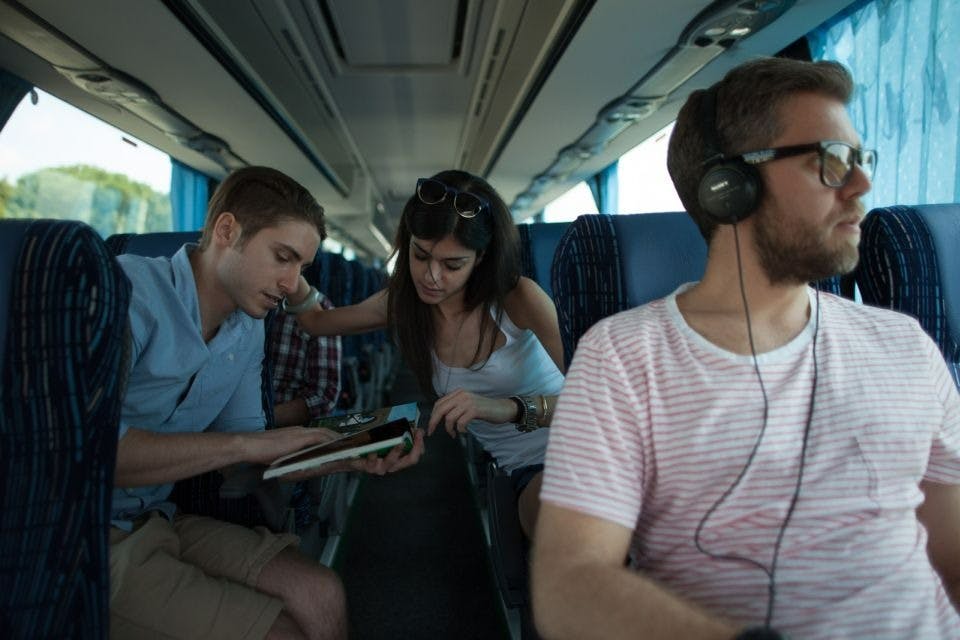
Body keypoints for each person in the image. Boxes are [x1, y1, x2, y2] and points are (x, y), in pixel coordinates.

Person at [531, 57, 960, 640]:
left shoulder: (906, 345)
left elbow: (952, 558)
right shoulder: (624, 360)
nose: (862, 185)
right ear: (730, 188)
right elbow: (570, 585)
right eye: (832, 161)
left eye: (863, 160)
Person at [109, 166, 424, 640]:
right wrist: (242, 446)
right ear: (227, 230)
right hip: (85, 535)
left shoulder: (247, 328)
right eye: (283, 257)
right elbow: (96, 455)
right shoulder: (128, 295)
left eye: (301, 267)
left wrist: (345, 455)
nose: (290, 284)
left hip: (158, 517)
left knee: (322, 593)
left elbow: (250, 455)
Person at [288, 169, 565, 536]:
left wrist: (503, 408)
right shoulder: (402, 304)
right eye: (420, 255)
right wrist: (286, 262)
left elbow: (599, 400)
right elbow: (314, 322)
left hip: (582, 441)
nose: (431, 276)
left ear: (480, 259)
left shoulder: (519, 299)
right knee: (568, 527)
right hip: (533, 470)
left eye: (453, 265)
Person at [268, 284, 342, 427]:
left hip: (282, 431)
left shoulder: (321, 308)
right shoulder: (237, 304)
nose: (292, 279)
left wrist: (262, 420)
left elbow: (323, 396)